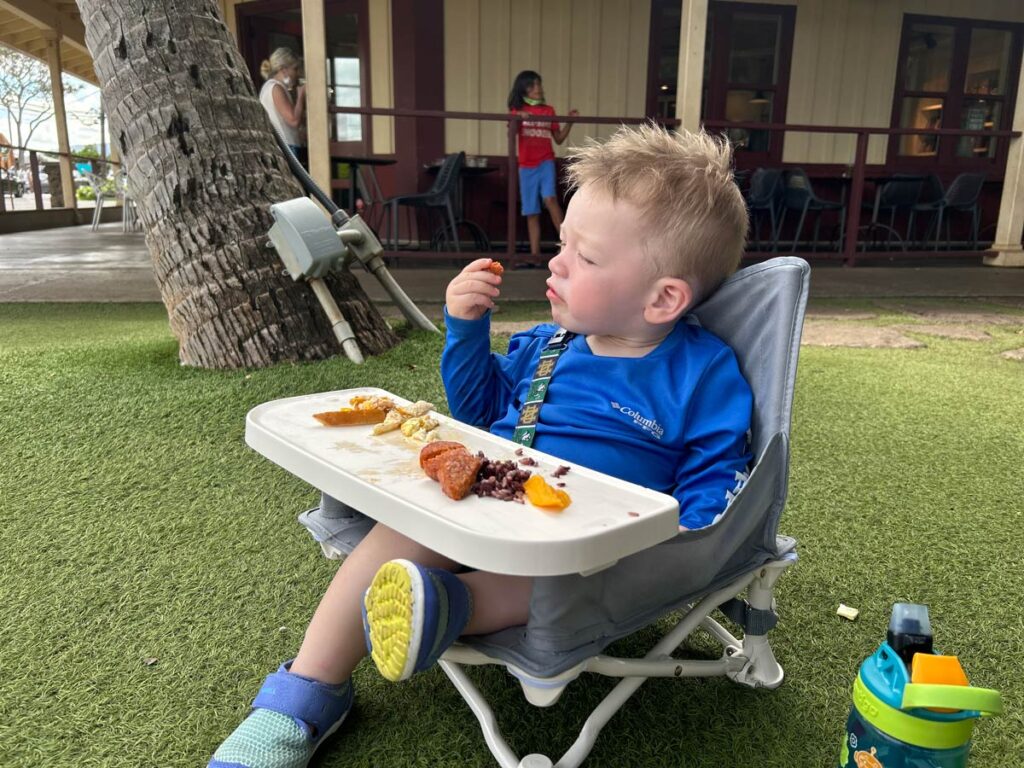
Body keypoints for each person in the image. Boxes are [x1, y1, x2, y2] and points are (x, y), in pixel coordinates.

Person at [208, 124, 753, 768]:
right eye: (562, 245)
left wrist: (676, 545)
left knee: (550, 581)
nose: (556, 263)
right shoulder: (548, 348)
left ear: (664, 298)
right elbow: (479, 413)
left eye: (586, 258)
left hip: (586, 548)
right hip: (482, 499)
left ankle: (444, 608)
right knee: (400, 529)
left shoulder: (701, 372)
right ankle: (299, 700)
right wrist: (466, 330)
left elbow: (716, 474)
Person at [507, 70, 579, 264]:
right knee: (531, 211)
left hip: (546, 161)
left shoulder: (548, 110)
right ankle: (535, 256)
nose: (538, 88)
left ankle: (567, 246)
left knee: (550, 199)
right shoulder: (516, 111)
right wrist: (517, 119)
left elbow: (559, 138)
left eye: (539, 84)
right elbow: (510, 137)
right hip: (526, 166)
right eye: (533, 85)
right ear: (523, 89)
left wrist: (570, 121)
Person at [259, 48, 307, 167]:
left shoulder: (273, 87)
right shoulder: (276, 88)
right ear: (284, 70)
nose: (298, 74)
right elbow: (293, 120)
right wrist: (301, 96)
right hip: (286, 148)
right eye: (295, 69)